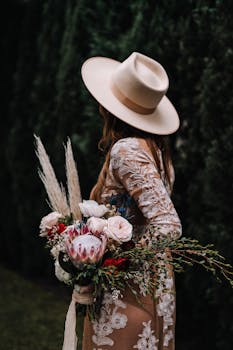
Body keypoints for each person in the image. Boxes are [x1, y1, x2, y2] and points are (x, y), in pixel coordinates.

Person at [80, 52, 182, 350]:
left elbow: (168, 225)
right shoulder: (155, 149)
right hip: (153, 276)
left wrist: (112, 255)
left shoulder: (126, 150)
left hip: (129, 284)